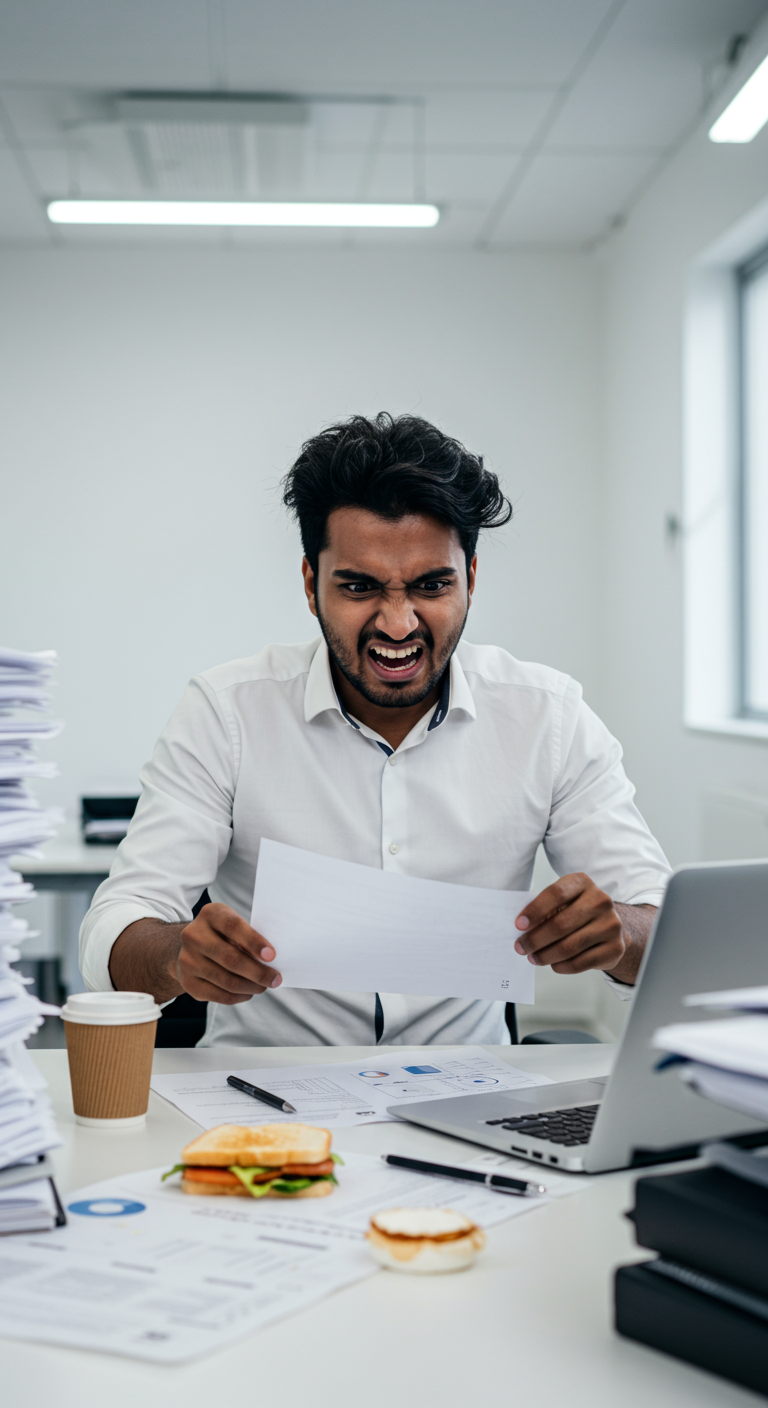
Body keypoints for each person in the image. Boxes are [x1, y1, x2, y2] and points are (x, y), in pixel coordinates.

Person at [80, 413, 671, 1047]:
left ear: (470, 581)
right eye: (359, 587)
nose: (397, 624)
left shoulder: (546, 717)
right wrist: (177, 958)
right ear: (312, 586)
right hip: (260, 1092)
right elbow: (115, 928)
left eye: (431, 585)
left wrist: (620, 935)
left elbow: (669, 929)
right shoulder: (227, 712)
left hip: (472, 1095)